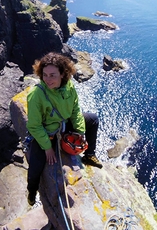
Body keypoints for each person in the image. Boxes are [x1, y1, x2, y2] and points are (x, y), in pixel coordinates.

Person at [26, 52, 102, 206]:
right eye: (45, 75)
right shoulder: (37, 95)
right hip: (48, 132)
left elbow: (75, 111)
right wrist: (47, 148)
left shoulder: (69, 87)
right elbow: (34, 125)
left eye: (53, 75)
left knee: (92, 119)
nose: (48, 79)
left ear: (62, 74)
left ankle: (89, 155)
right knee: (36, 167)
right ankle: (32, 191)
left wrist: (80, 132)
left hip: (65, 125)